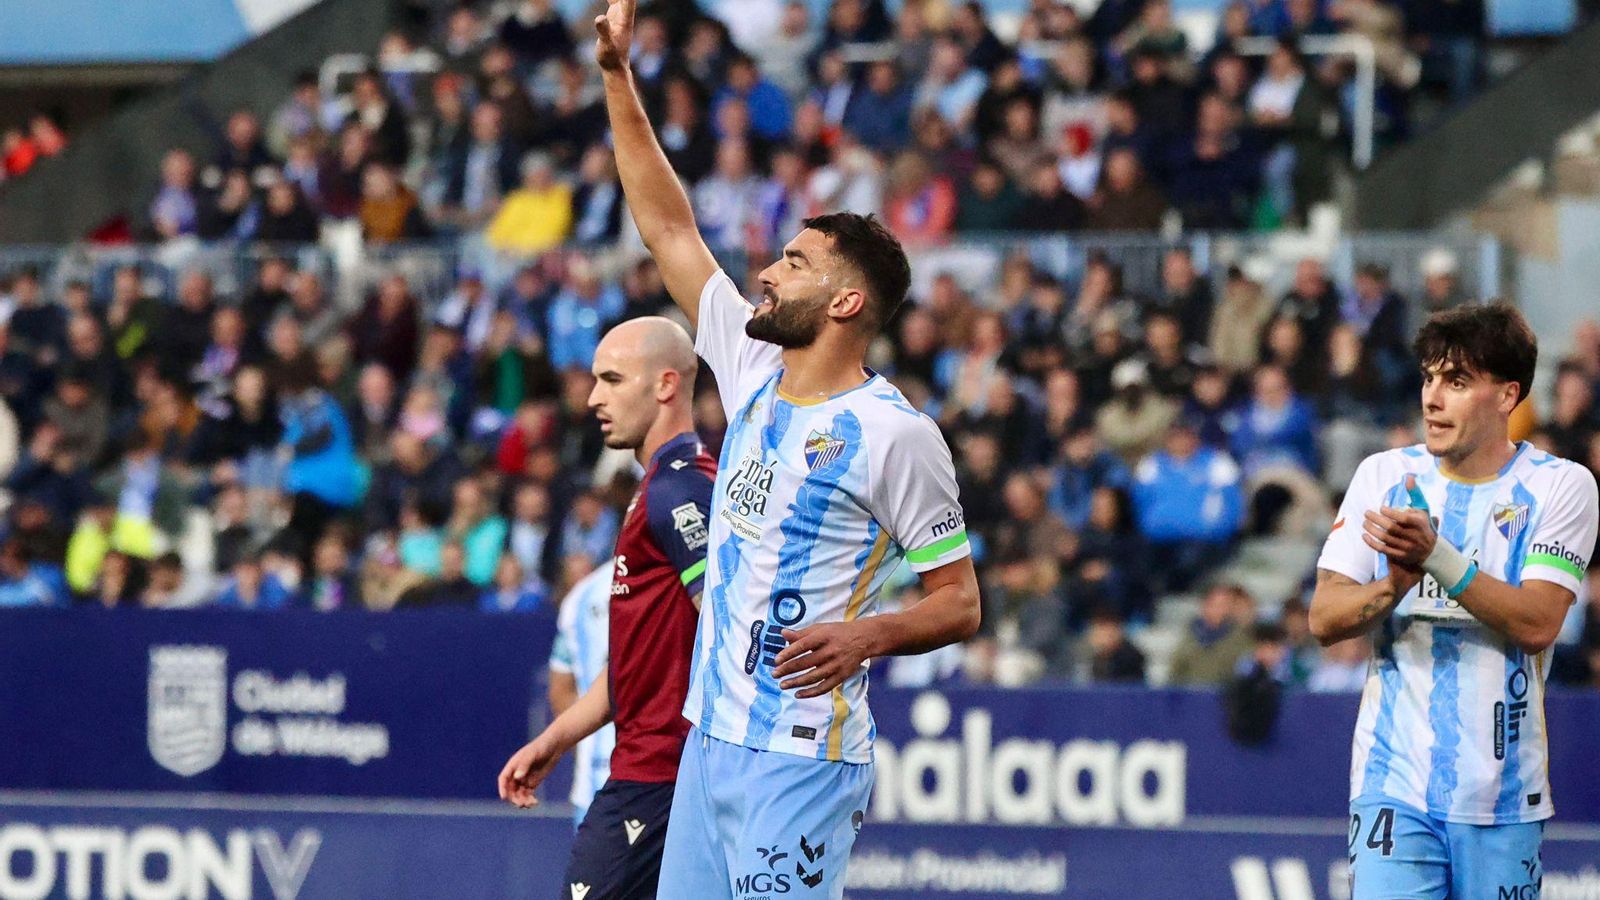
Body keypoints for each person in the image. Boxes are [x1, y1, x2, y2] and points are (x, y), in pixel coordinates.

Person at [579, 2, 982, 894]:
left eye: (795, 262)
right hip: (709, 742)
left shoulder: (897, 436)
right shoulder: (750, 361)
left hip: (802, 758)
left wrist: (868, 635)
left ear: (845, 304)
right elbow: (669, 228)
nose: (766, 269)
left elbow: (959, 602)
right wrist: (616, 77)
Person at [1311, 303, 1599, 899]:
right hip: (1391, 782)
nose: (1433, 398)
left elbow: (1540, 621)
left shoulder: (1561, 486)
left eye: (1458, 381)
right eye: (1429, 377)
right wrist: (1393, 585)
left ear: (1507, 396)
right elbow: (1323, 618)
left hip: (1501, 796)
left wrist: (1436, 556)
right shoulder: (1383, 476)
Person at [498, 316, 716, 900]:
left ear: (666, 384)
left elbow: (728, 625)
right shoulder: (660, 487)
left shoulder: (680, 490)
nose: (594, 397)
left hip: (660, 777)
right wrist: (554, 740)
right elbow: (633, 669)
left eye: (613, 379)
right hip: (652, 770)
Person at [546, 560, 617, 823]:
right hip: (665, 778)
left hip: (596, 780)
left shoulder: (581, 596)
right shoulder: (684, 579)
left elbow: (560, 688)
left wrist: (584, 742)